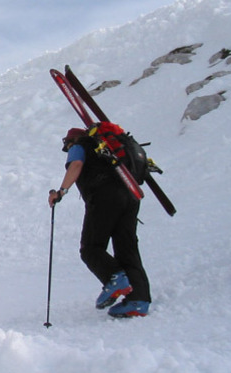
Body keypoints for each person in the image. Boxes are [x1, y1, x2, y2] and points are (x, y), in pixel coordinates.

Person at [48, 127, 152, 318]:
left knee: (91, 248)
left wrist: (61, 191)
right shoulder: (108, 150)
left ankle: (115, 279)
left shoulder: (81, 144)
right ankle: (139, 301)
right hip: (131, 196)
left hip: (105, 196)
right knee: (127, 250)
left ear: (70, 141)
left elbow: (76, 164)